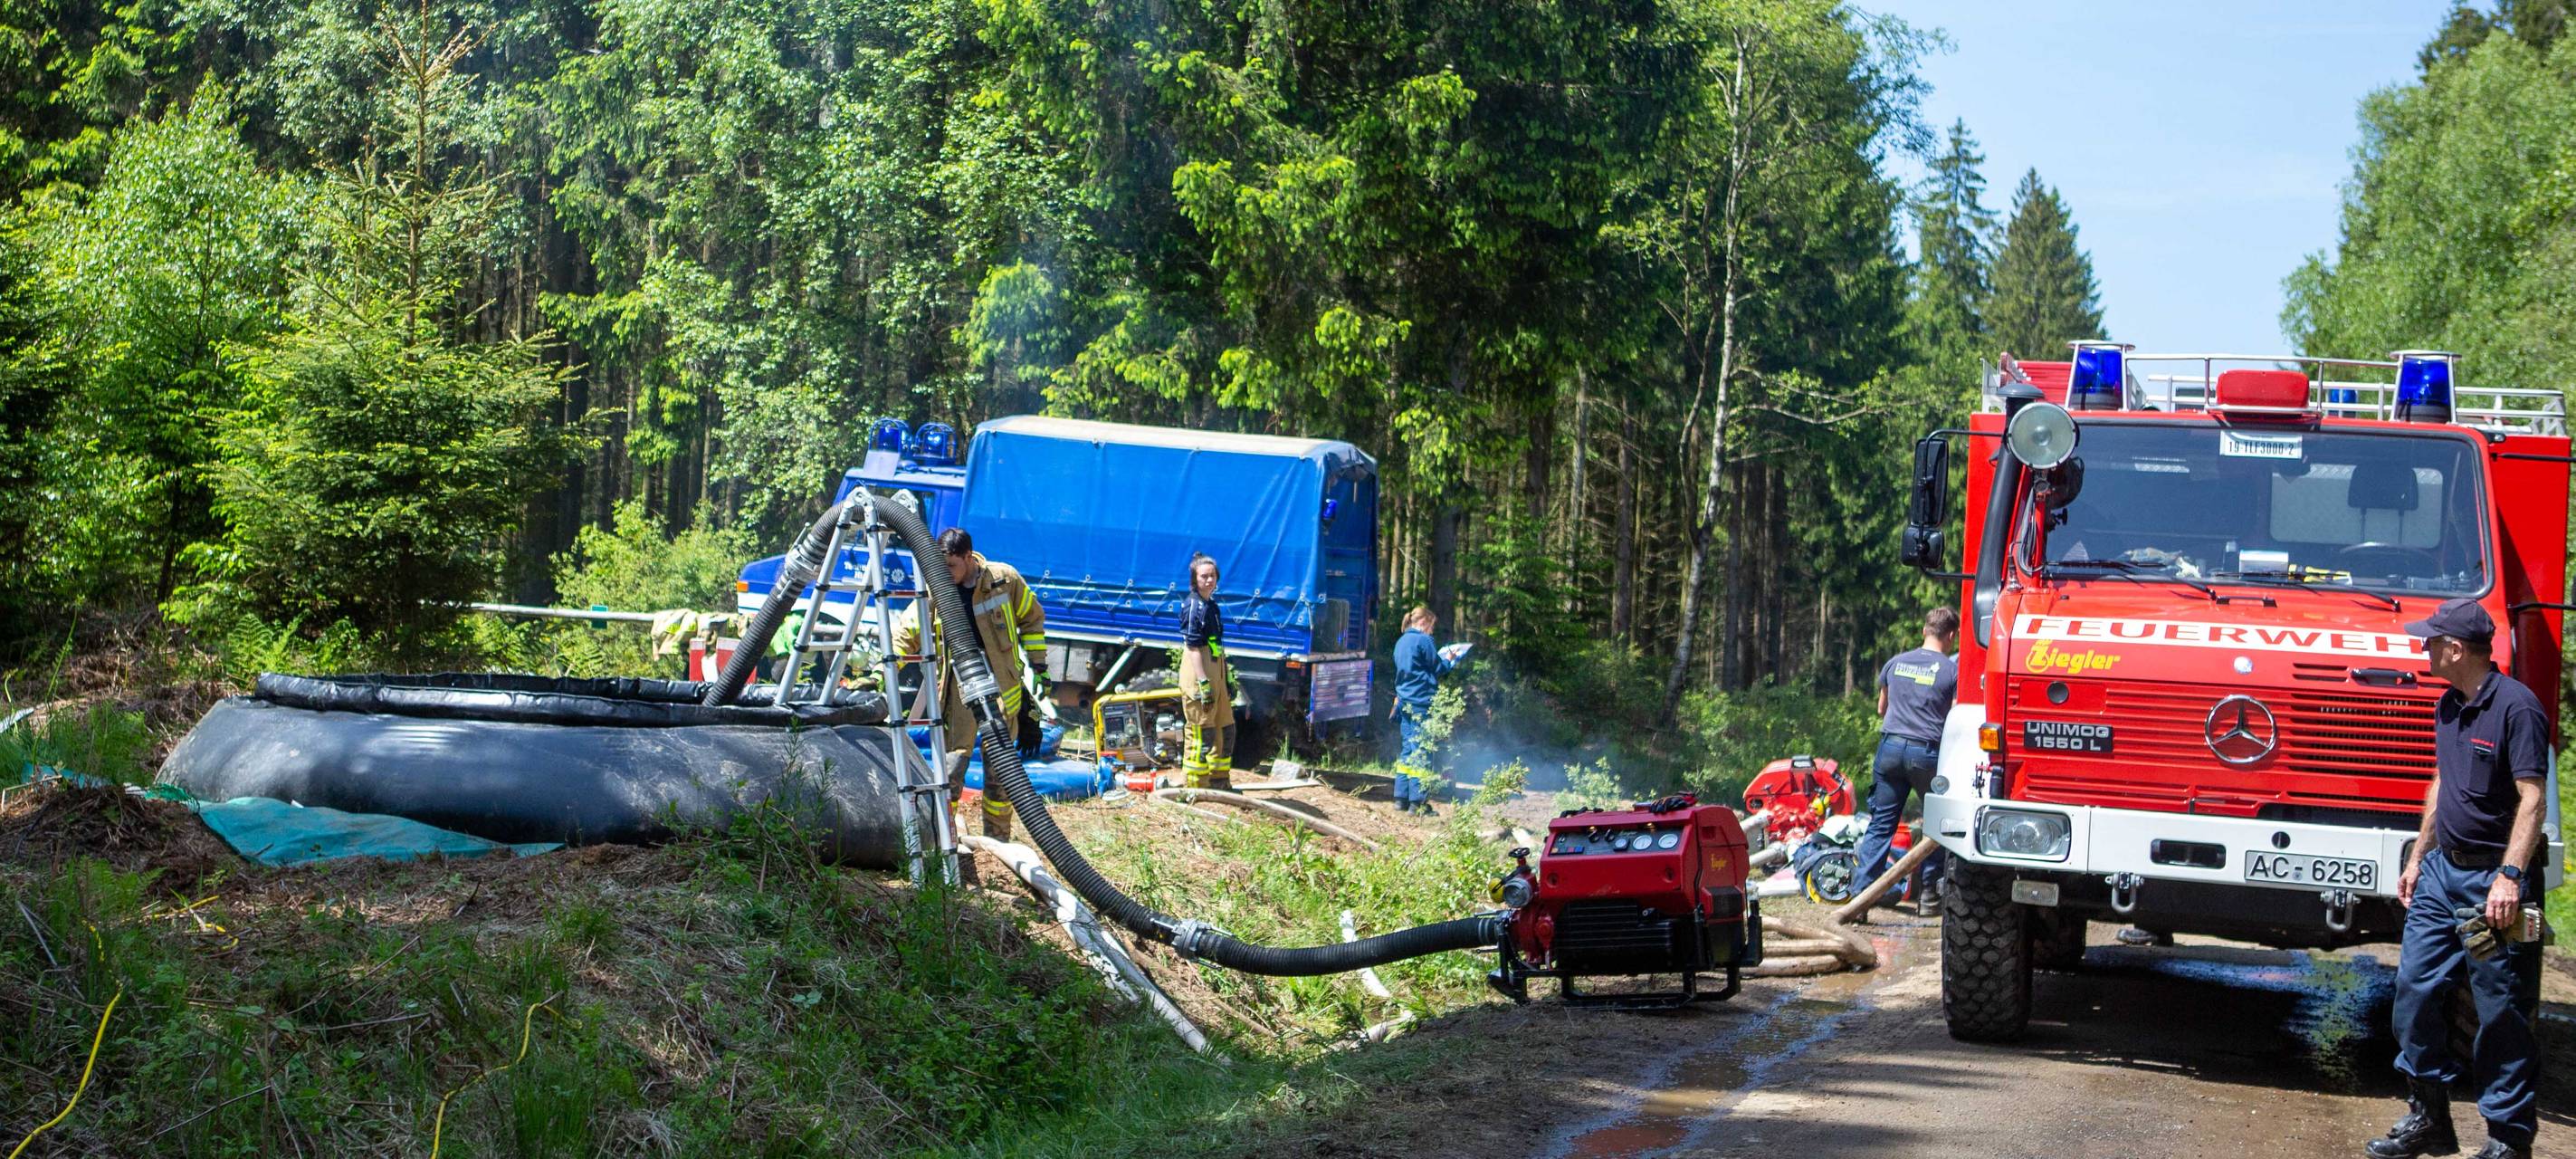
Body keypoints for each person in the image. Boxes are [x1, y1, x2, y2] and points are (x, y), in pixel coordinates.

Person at [2368, 599, 2549, 1159]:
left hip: (2493, 883)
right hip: (2441, 876)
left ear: (2454, 649)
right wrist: (2418, 857)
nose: (2423, 649)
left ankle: (2508, 1140)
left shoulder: (2517, 708)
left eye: (2430, 641)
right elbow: (2442, 782)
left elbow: (2533, 799)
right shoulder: (2449, 704)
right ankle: (2429, 1119)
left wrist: (2510, 877)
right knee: (2415, 992)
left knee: (2501, 1012)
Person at [893, 527, 1048, 846]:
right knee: (951, 769)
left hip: (1003, 693)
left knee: (1002, 775)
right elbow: (909, 629)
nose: (945, 572)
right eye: (941, 565)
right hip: (960, 692)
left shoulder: (1004, 580)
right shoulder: (938, 588)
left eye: (951, 565)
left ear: (968, 557)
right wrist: (886, 667)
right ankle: (943, 840)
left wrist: (1039, 665)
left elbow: (1032, 619)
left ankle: (998, 844)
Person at [1854, 607, 1957, 914]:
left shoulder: (1895, 663)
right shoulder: (1952, 671)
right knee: (1937, 823)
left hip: (1890, 749)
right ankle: (1929, 896)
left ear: (1924, 630)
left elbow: (1881, 709)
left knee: (1881, 824)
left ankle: (1860, 899)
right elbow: (1955, 718)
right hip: (1927, 754)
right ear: (1951, 636)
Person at [1390, 606, 1467, 814]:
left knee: (1408, 750)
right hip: (1421, 701)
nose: (1432, 631)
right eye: (1432, 626)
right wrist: (1450, 660)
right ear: (1424, 622)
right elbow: (1438, 668)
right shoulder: (1424, 641)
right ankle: (1418, 803)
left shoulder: (1401, 641)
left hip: (1404, 701)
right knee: (1421, 750)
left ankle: (1400, 798)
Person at [1177, 553, 1235, 790]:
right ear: (1194, 579)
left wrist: (1226, 678)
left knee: (1225, 729)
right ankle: (1195, 786)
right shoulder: (1193, 605)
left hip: (1215, 669)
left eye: (1212, 576)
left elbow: (1216, 645)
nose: (1209, 580)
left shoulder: (1212, 606)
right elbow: (1193, 647)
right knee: (1202, 732)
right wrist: (1203, 683)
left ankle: (1219, 780)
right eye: (1204, 576)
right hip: (1198, 671)